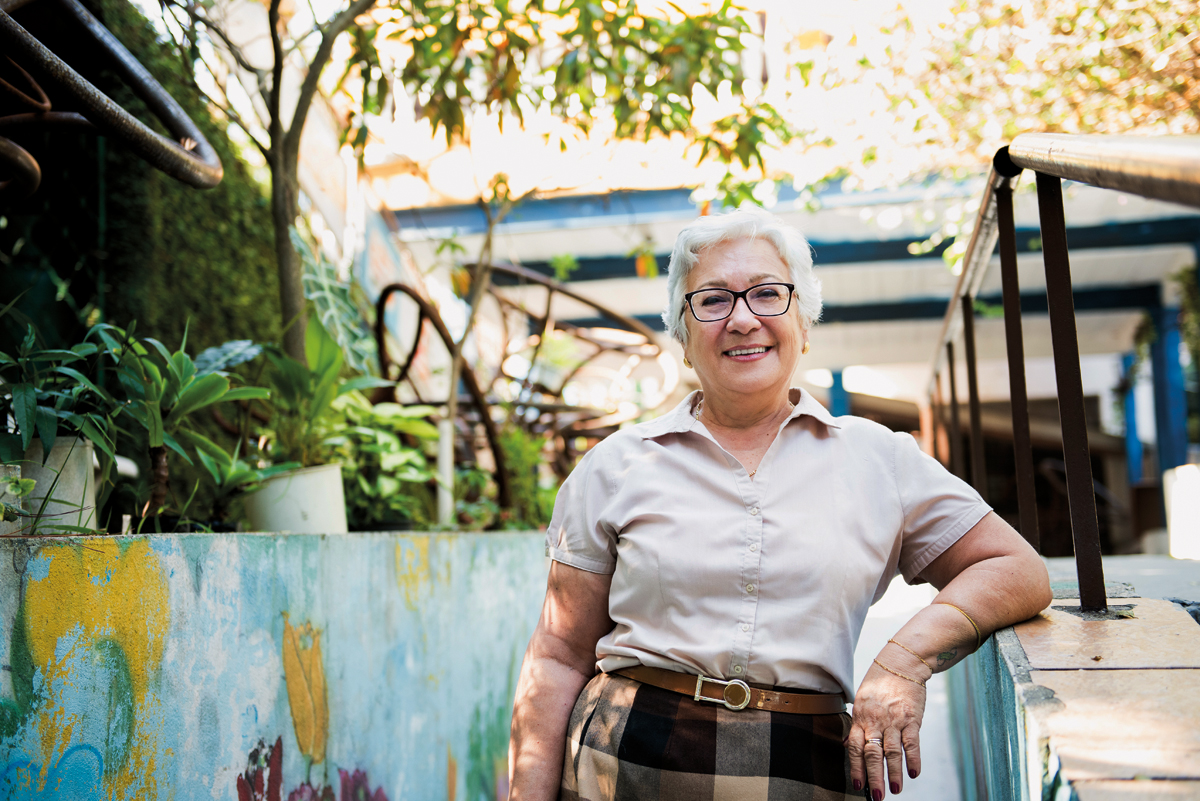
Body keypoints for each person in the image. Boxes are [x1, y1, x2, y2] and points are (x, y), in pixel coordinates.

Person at [507, 206, 1052, 801]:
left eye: (768, 294)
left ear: (805, 323)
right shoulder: (615, 465)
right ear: (684, 336)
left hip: (805, 767)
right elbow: (559, 654)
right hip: (626, 760)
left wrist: (903, 662)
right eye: (712, 301)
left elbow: (1016, 569)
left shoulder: (880, 459)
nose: (742, 320)